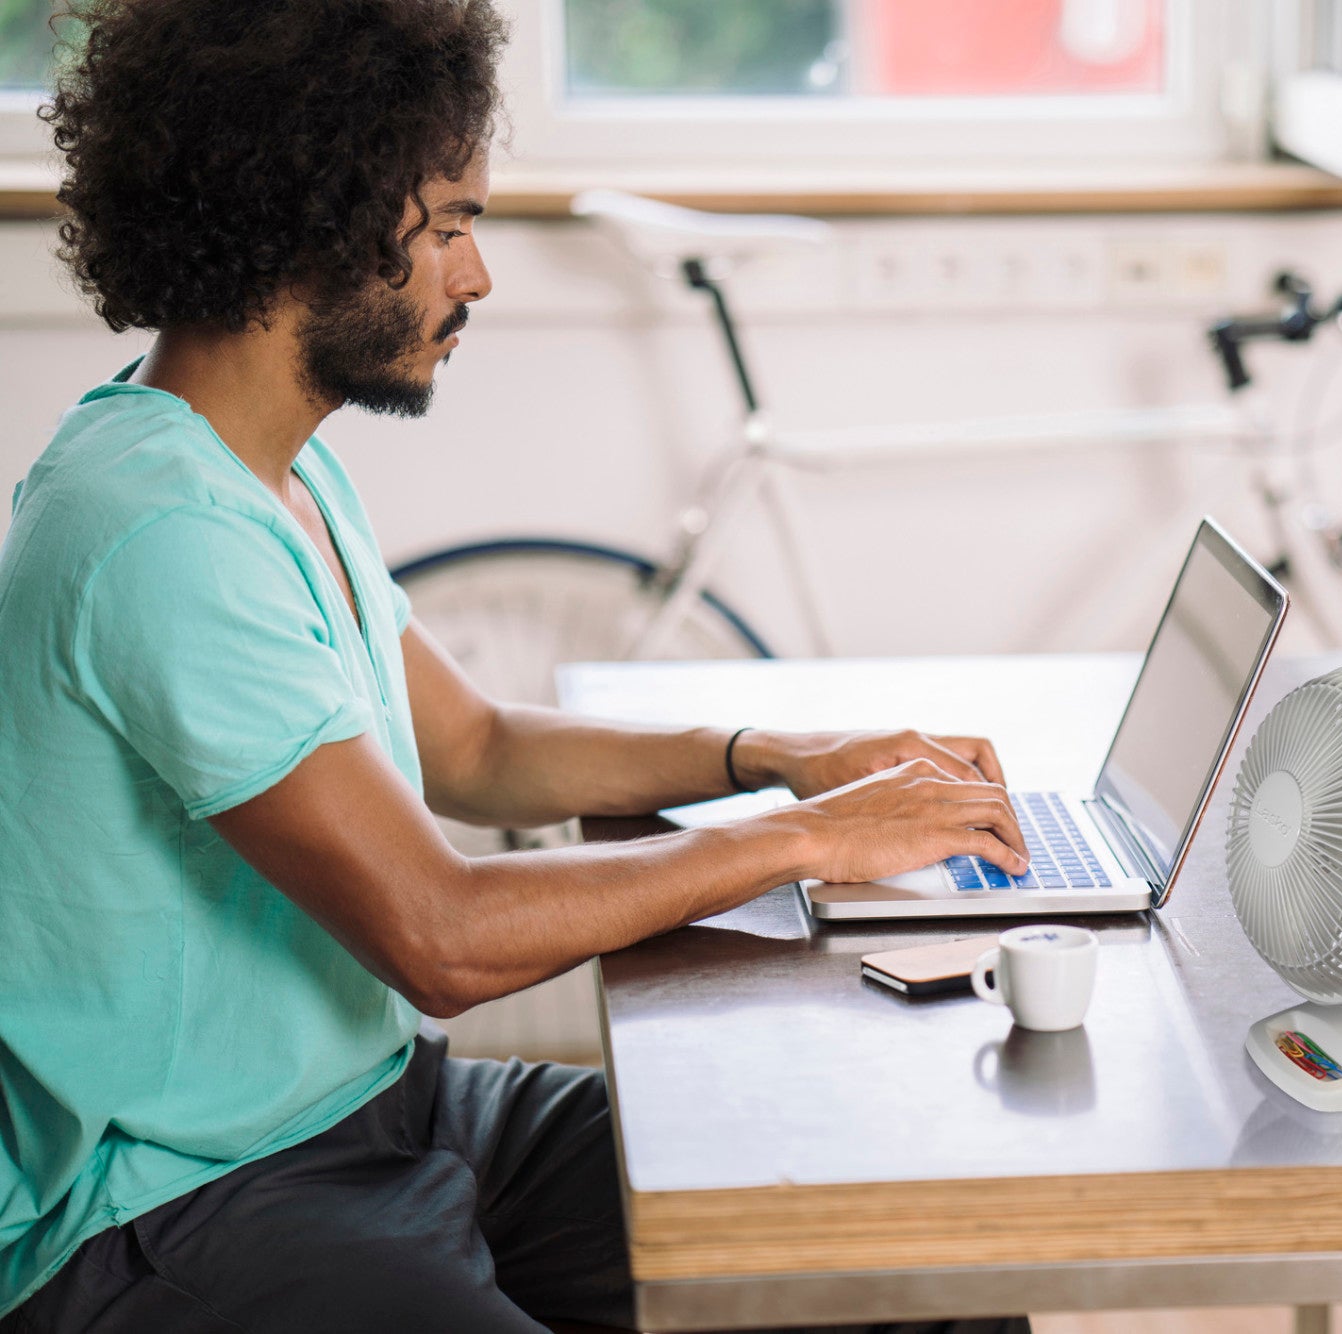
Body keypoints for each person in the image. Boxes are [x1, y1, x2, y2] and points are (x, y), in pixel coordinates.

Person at [0, 1, 1032, 1329]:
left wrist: (774, 758)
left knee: (909, 1257)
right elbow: (441, 932)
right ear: (306, 217)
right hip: (171, 1197)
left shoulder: (261, 475)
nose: (475, 278)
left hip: (383, 1109)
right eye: (445, 227)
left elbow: (476, 747)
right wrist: (805, 839)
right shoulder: (155, 534)